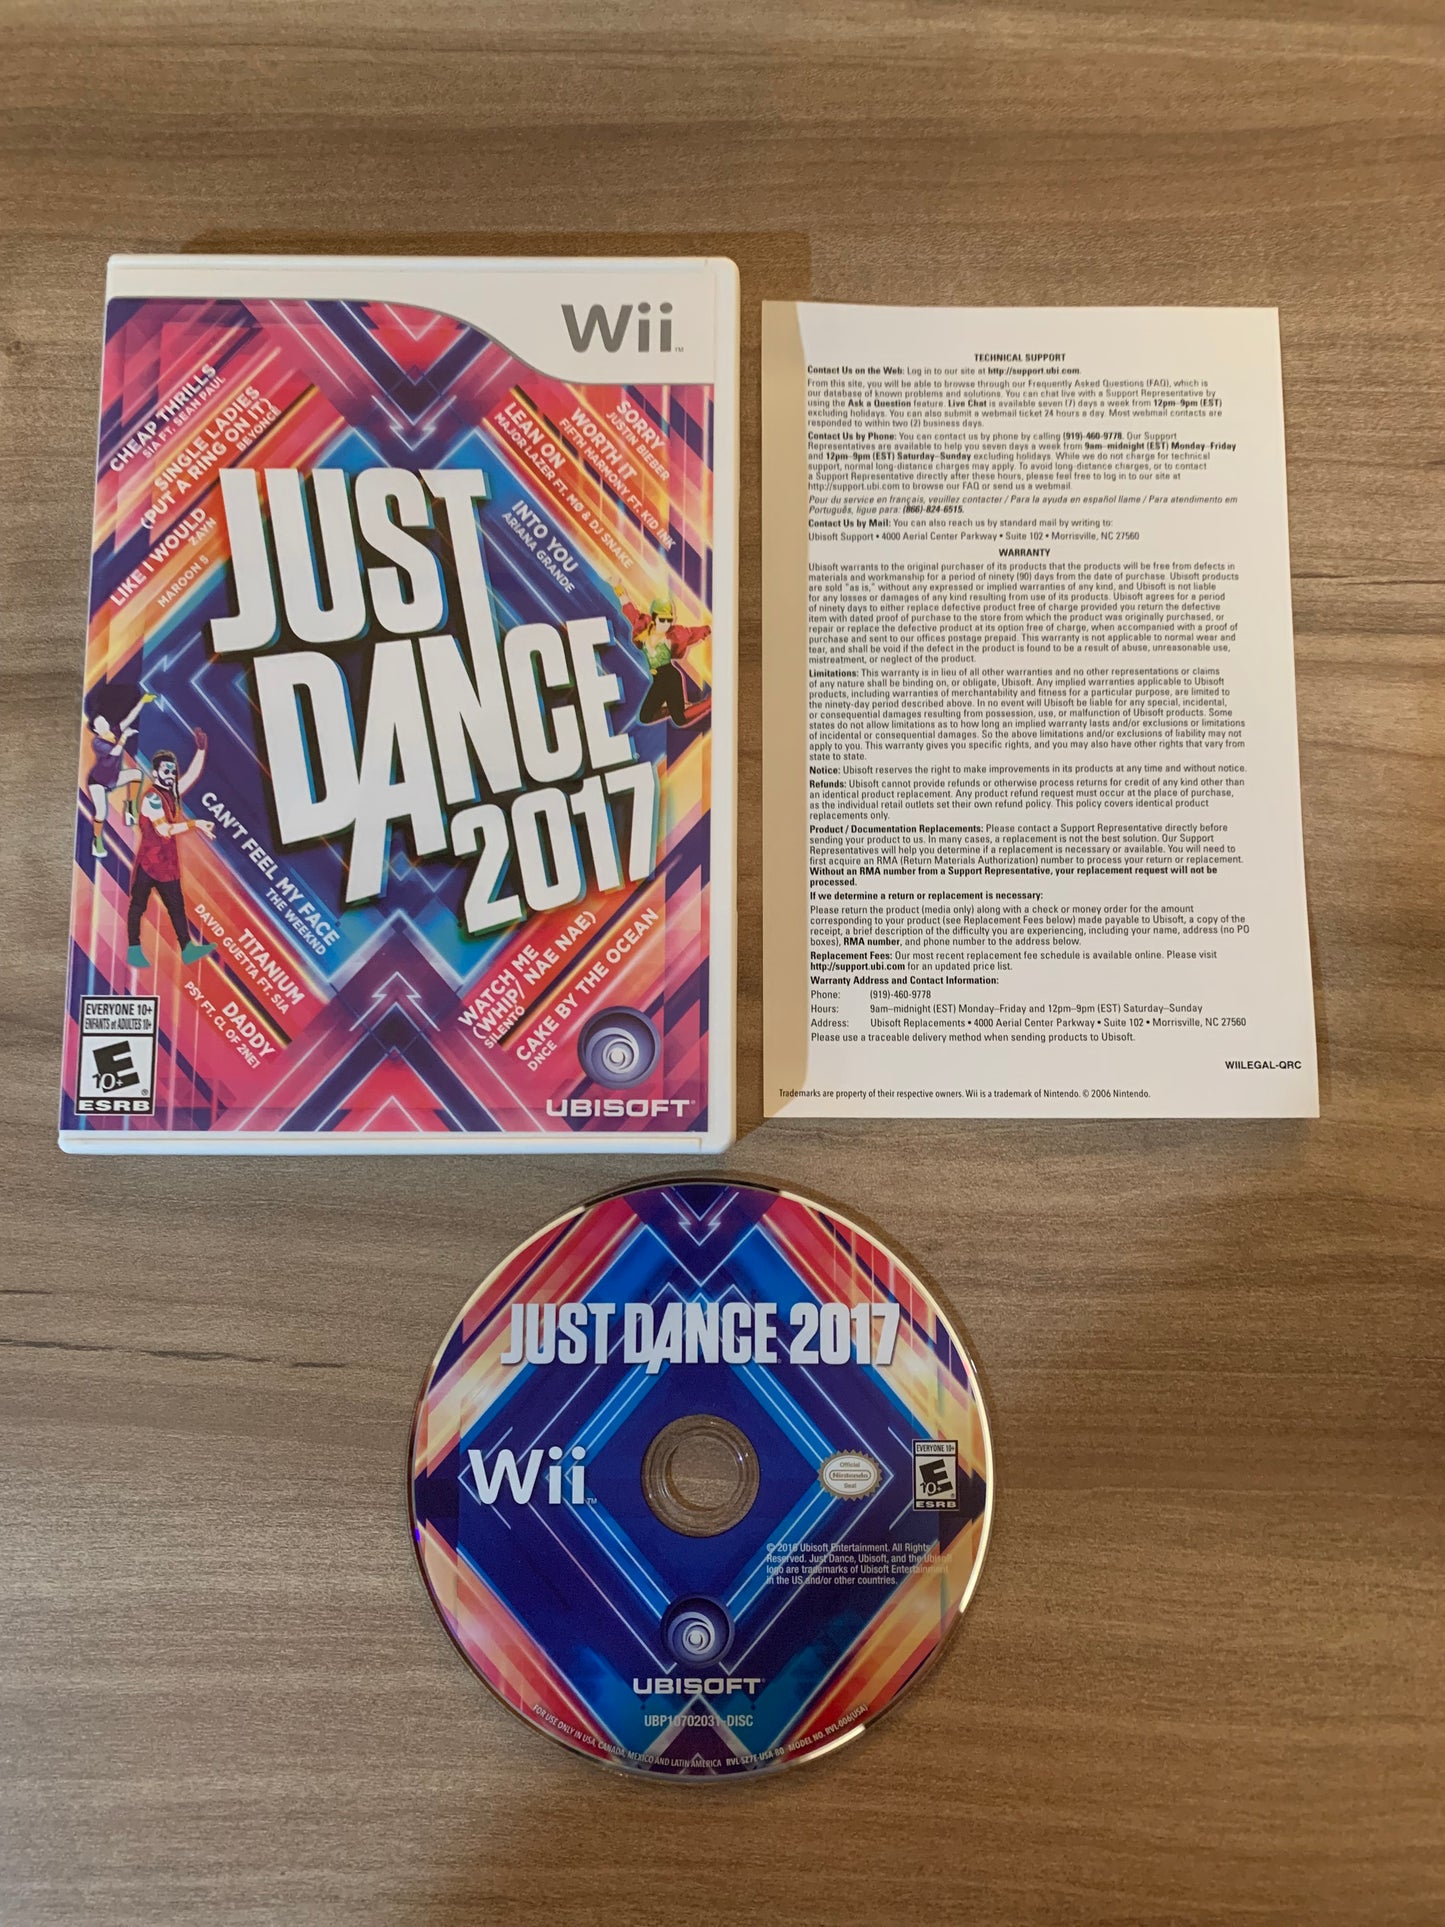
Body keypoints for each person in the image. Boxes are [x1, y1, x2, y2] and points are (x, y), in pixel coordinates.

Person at [126, 730, 218, 969]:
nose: (171, 775)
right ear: (156, 772)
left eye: (173, 771)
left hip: (167, 863)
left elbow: (192, 775)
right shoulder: (152, 799)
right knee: (138, 905)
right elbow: (164, 830)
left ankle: (188, 949)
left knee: (177, 907)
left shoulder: (172, 791)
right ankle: (134, 950)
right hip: (149, 863)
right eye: (166, 771)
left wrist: (201, 750)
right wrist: (195, 824)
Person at [619, 590, 711, 728]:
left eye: (669, 620)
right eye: (662, 620)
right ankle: (674, 707)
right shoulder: (644, 631)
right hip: (659, 679)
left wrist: (711, 628)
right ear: (654, 618)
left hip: (670, 677)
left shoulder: (672, 637)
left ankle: (710, 702)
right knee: (645, 717)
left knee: (679, 720)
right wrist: (617, 587)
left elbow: (693, 633)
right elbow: (630, 611)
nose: (666, 624)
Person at [86, 691, 153, 857]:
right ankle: (97, 841)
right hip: (97, 782)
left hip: (114, 777)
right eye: (99, 724)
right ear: (96, 730)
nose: (104, 725)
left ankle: (130, 808)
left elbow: (130, 717)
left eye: (103, 722)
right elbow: (115, 752)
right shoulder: (97, 743)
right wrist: (125, 737)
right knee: (101, 812)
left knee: (137, 775)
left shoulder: (116, 730)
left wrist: (142, 702)